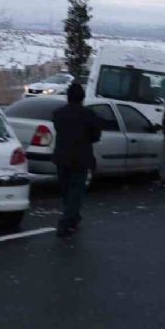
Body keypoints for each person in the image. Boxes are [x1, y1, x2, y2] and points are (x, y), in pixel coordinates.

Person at [52, 83, 102, 237]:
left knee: (66, 189)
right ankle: (67, 221)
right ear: (82, 97)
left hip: (62, 156)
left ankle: (72, 217)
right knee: (76, 191)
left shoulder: (58, 113)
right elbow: (96, 136)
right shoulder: (88, 114)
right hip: (81, 157)